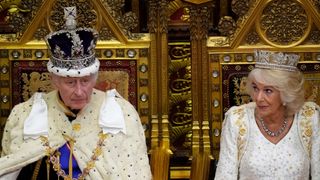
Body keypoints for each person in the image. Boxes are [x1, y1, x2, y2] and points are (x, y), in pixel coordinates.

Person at [0, 6, 152, 180]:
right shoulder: (25, 114)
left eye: (86, 81)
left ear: (95, 77)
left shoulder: (123, 113)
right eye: (70, 82)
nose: (79, 91)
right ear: (55, 80)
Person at [214, 50, 320, 179]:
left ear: (286, 93)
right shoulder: (237, 119)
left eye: (268, 90)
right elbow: (225, 176)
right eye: (255, 88)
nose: (258, 98)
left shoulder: (309, 118)